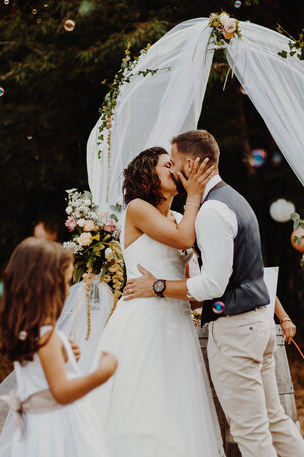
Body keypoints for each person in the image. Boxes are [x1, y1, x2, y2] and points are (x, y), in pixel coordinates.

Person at [124, 130, 304, 457]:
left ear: (191, 163)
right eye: (165, 165)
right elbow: (208, 283)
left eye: (175, 162)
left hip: (236, 329)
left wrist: (158, 286)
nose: (173, 170)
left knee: (252, 431)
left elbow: (211, 285)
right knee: (273, 421)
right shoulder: (231, 200)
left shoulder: (207, 211)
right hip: (242, 322)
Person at [88, 147, 224, 457]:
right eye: (167, 165)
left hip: (176, 320)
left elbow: (190, 276)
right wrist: (195, 194)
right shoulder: (138, 208)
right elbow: (184, 240)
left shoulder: (180, 216)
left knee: (176, 399)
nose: (176, 169)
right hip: (142, 320)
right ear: (149, 174)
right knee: (142, 396)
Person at [0, 237, 117, 457]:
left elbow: (40, 379)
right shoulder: (47, 338)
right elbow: (61, 393)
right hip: (58, 426)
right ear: (44, 287)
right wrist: (101, 374)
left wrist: (64, 360)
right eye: (64, 283)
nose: (68, 292)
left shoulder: (29, 332)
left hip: (39, 425)